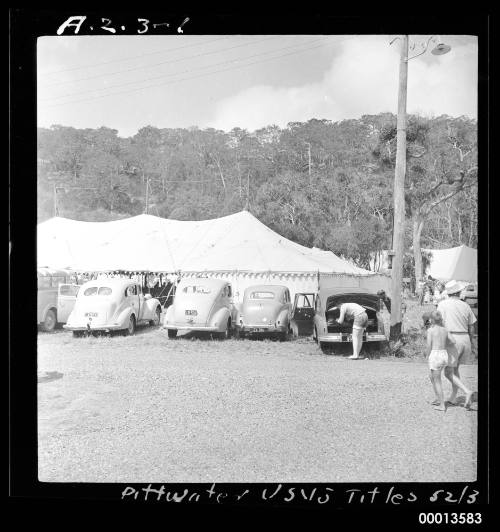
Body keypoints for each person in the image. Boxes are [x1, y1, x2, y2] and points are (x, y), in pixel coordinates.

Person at [437, 280, 477, 407]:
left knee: (448, 372)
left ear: (448, 293)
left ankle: (467, 391)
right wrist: (473, 344)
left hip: (452, 339)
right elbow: (472, 327)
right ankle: (453, 397)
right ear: (459, 292)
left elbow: (439, 324)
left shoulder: (442, 305)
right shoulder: (465, 306)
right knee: (455, 369)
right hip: (465, 338)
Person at [426, 310, 473, 411]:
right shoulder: (445, 330)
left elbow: (429, 345)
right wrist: (443, 342)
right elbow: (453, 341)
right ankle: (439, 398)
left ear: (432, 320)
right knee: (435, 376)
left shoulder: (430, 330)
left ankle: (442, 405)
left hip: (435, 354)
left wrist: (427, 355)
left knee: (437, 380)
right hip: (444, 355)